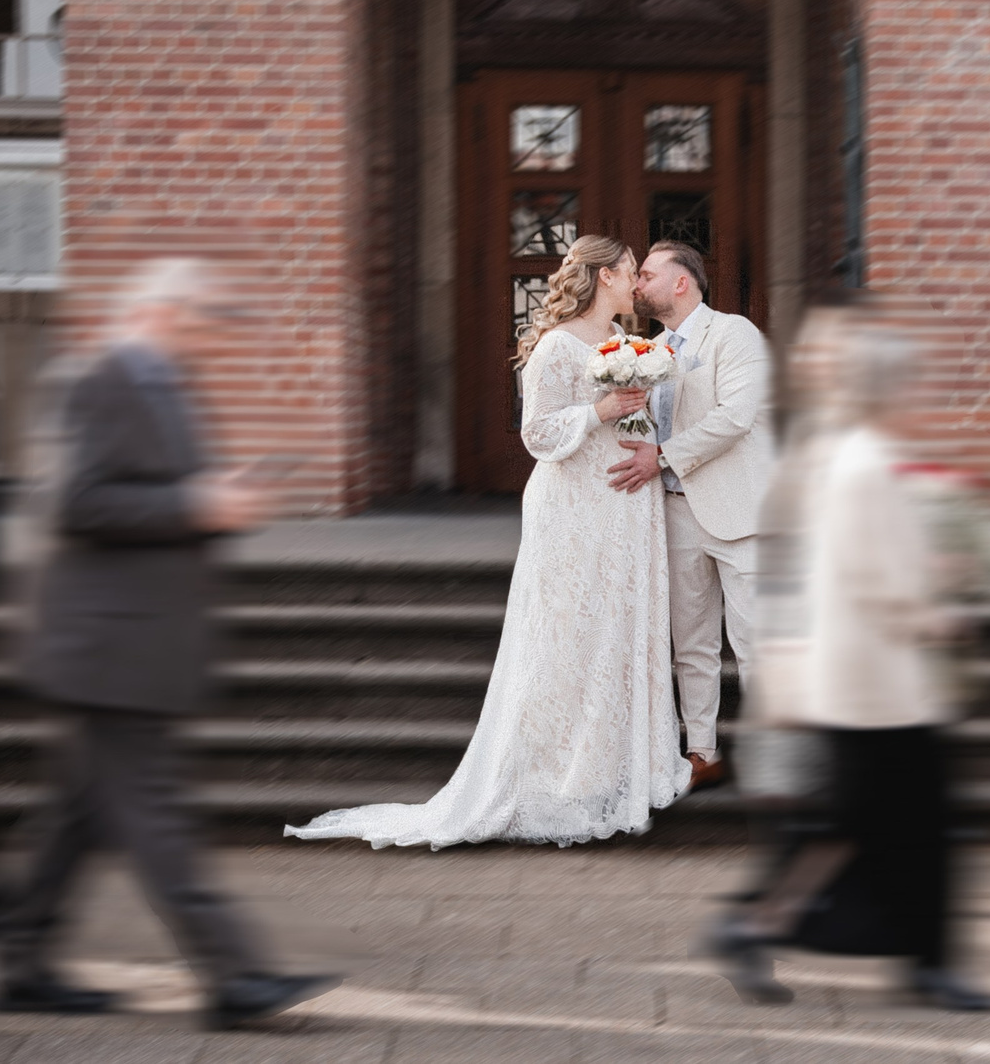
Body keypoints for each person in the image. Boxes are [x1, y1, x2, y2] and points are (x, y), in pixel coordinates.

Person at [0, 258, 338, 1032]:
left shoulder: (165, 384)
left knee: (75, 817)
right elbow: (73, 500)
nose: (217, 338)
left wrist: (218, 497)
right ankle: (232, 975)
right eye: (210, 318)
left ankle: (18, 961)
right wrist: (193, 502)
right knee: (152, 816)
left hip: (130, 641)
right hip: (105, 647)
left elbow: (146, 493)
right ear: (168, 312)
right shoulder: (99, 379)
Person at [289, 234, 692, 847]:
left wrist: (638, 433)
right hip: (574, 508)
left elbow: (627, 416)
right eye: (630, 271)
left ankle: (607, 769)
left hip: (624, 505)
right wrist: (600, 413)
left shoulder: (628, 344)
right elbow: (537, 432)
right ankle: (552, 778)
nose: (636, 281)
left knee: (614, 631)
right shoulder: (558, 346)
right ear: (603, 276)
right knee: (566, 634)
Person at [705, 318, 990, 1011]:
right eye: (913, 382)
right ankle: (925, 965)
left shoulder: (852, 453)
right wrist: (936, 609)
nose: (922, 393)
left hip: (863, 681)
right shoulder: (867, 463)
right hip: (880, 684)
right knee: (909, 827)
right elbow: (874, 577)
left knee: (848, 827)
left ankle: (757, 926)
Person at [610, 241, 772, 791]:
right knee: (692, 645)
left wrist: (661, 457)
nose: (638, 284)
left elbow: (736, 417)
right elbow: (642, 434)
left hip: (740, 513)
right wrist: (623, 417)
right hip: (673, 513)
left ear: (682, 282)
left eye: (648, 274)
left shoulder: (734, 333)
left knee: (755, 641)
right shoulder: (640, 351)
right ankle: (702, 752)